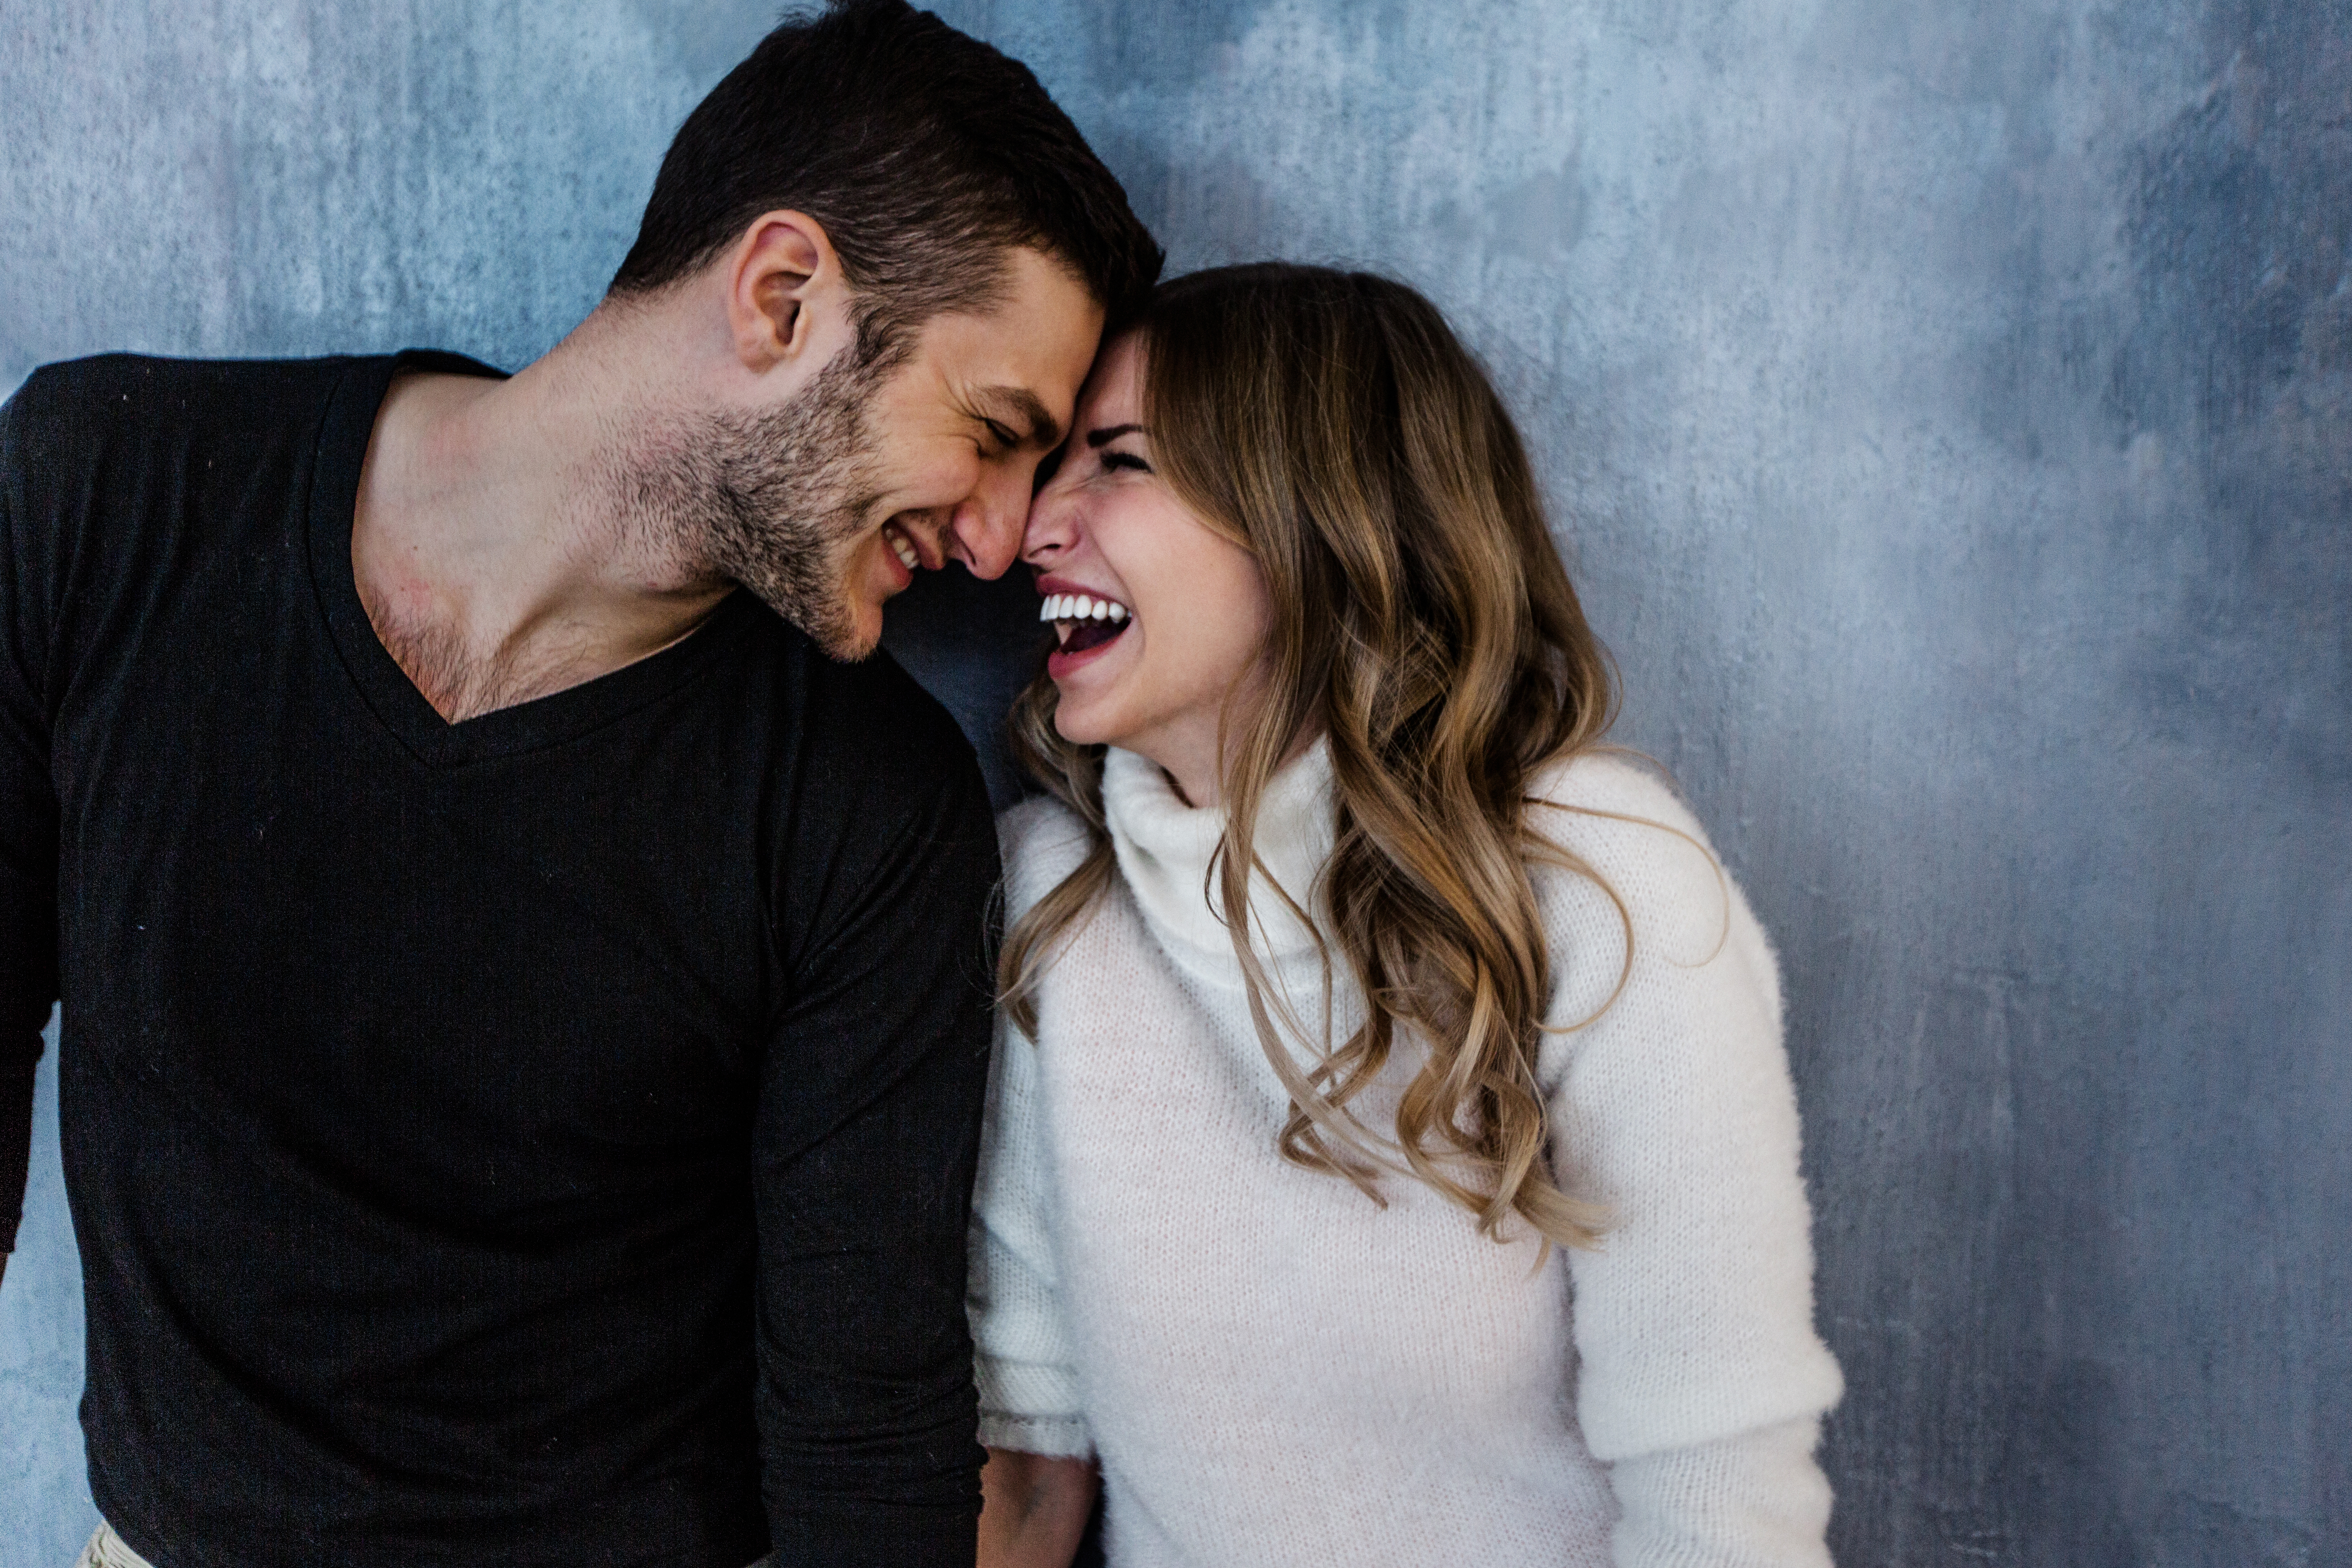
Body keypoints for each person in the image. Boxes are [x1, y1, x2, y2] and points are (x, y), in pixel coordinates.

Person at [0, 3, 1159, 1565]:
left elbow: (861, 1429)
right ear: (784, 295)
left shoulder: (867, 809)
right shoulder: (106, 488)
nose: (1004, 539)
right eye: (994, 432)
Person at [967, 265, 1845, 1568]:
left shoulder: (1596, 880)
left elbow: (1721, 1492)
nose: (1040, 522)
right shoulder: (1053, 899)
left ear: (1318, 519)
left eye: (1122, 463)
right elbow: (1031, 1461)